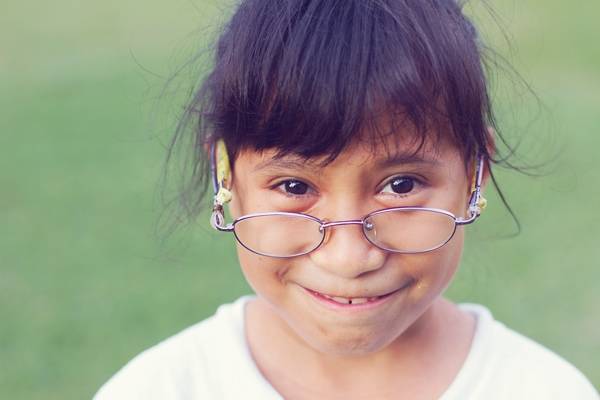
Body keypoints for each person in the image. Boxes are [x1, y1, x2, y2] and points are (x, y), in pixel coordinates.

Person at [95, 0, 599, 399]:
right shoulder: (161, 389)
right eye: (294, 187)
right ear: (225, 175)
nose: (350, 258)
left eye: (401, 186)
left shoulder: (544, 390)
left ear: (475, 173)